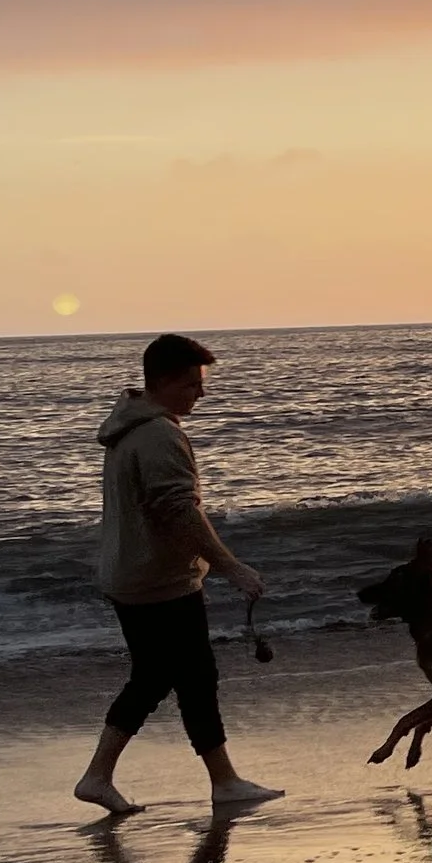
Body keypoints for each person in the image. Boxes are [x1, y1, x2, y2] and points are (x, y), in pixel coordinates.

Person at [73, 332, 282, 817]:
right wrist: (230, 566)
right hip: (157, 582)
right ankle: (103, 776)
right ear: (164, 381)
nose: (200, 394)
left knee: (178, 678)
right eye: (191, 385)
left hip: (133, 576)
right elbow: (179, 512)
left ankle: (217, 780)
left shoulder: (130, 428)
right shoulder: (158, 434)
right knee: (172, 679)